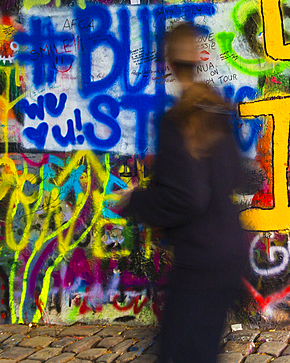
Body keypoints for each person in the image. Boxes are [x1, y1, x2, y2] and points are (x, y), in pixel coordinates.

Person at [113, 22, 247, 363]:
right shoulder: (217, 110)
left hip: (200, 262)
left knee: (176, 355)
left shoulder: (176, 121)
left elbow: (188, 197)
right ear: (197, 62)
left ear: (169, 65)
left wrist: (136, 201)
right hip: (228, 254)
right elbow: (233, 175)